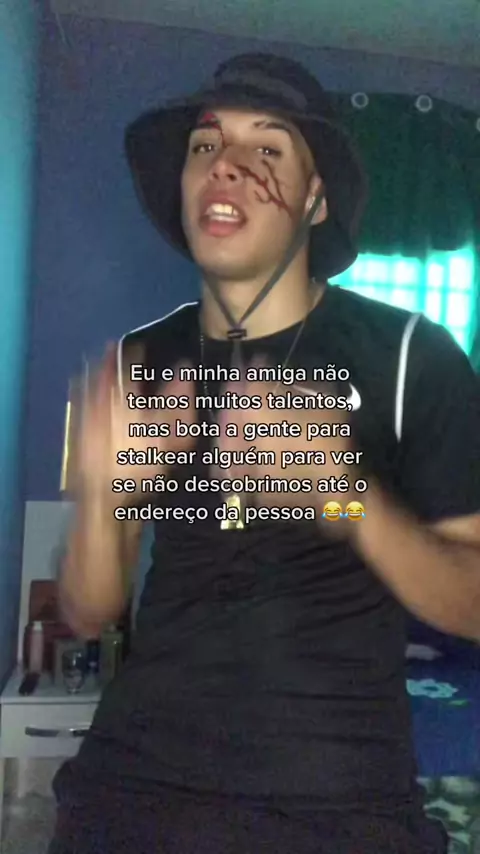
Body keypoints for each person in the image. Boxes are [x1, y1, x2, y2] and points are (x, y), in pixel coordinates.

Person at [48, 53, 480, 853]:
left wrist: (346, 497)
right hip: (132, 786)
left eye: (268, 147)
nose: (228, 165)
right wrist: (102, 501)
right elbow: (90, 609)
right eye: (206, 145)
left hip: (335, 800)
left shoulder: (411, 357)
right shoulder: (141, 360)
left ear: (315, 199)